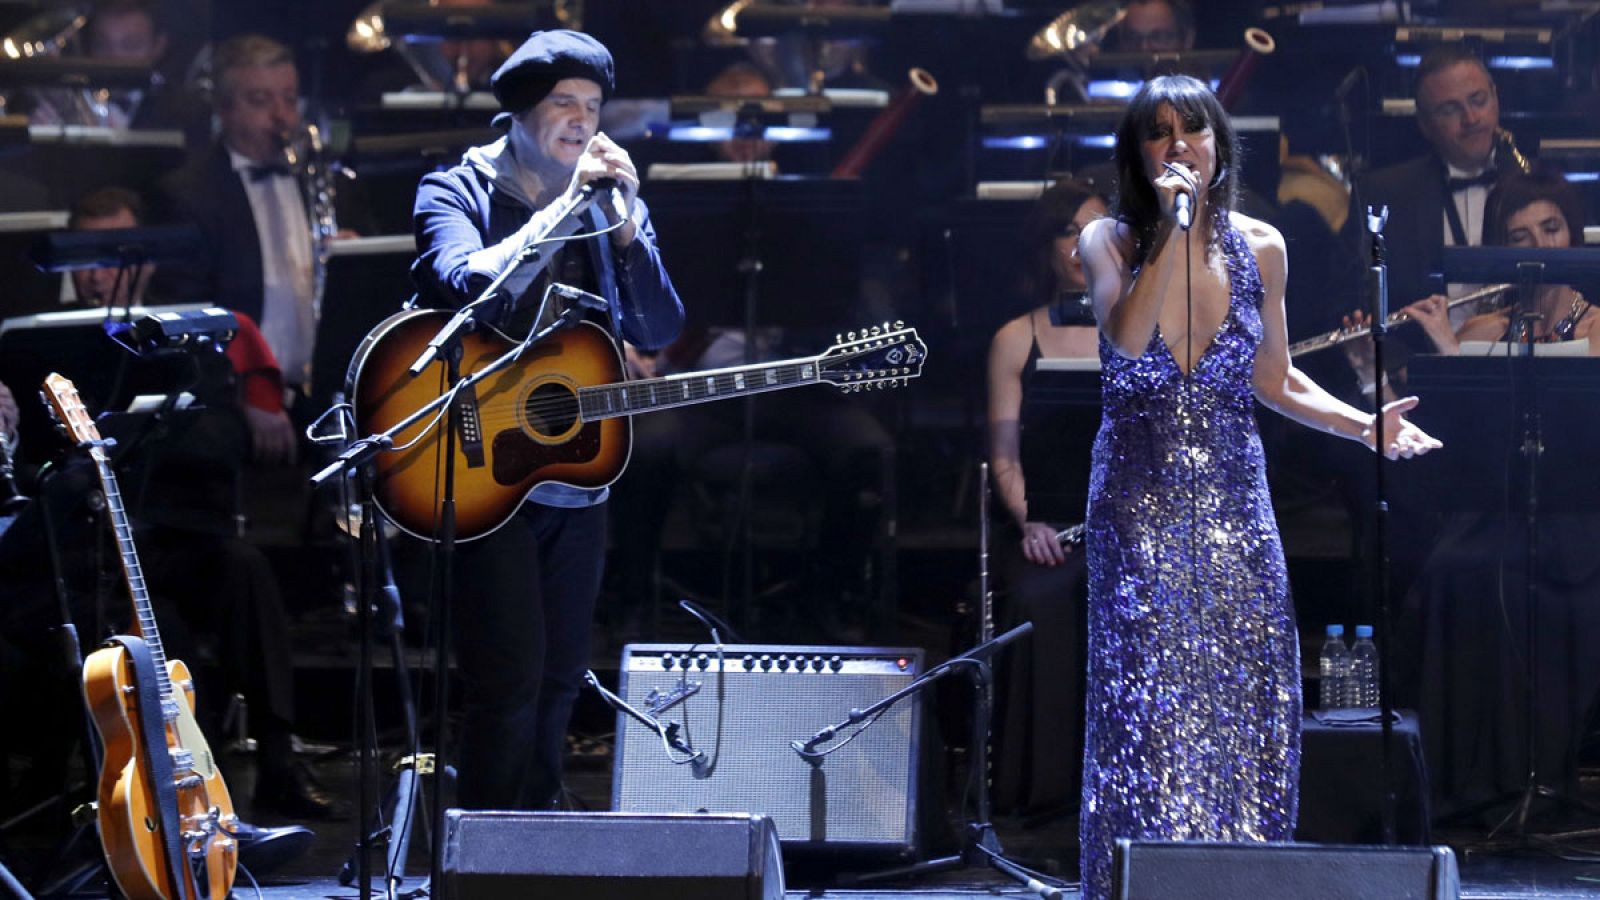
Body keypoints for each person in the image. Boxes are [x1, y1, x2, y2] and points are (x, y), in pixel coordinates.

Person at [1074, 75, 1441, 899]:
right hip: (1138, 503)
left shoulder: (1263, 246)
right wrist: (1172, 233)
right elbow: (1128, 338)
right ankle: (1136, 878)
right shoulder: (1110, 240)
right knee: (1149, 707)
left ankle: (1244, 875)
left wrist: (1364, 425)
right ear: (1139, 157)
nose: (1179, 147)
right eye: (1159, 135)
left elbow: (1275, 380)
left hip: (1237, 503)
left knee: (1248, 693)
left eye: (1193, 131)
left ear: (1219, 144)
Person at [410, 29, 683, 809]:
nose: (580, 120)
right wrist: (567, 209)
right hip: (473, 461)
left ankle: (533, 835)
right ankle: (482, 851)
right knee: (509, 677)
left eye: (593, 107)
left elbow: (658, 328)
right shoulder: (455, 188)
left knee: (565, 673)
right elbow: (468, 284)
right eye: (564, 103)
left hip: (571, 471)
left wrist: (626, 225)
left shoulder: (609, 200)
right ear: (524, 113)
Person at [156, 33, 367, 403]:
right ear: (224, 110)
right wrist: (248, 393)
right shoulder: (189, 194)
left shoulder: (326, 182)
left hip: (324, 393)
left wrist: (352, 266)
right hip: (236, 399)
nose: (282, 116)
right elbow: (190, 318)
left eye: (289, 99)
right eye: (260, 101)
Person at [986, 178, 1106, 816]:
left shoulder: (1146, 329)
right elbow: (1004, 455)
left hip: (1126, 522)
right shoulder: (1015, 337)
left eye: (1093, 229)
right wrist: (1030, 520)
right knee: (1044, 595)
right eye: (1068, 231)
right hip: (1048, 523)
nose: (1079, 246)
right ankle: (1045, 791)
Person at [1348, 44, 1509, 354]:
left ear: (1496, 97)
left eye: (1478, 100)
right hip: (1420, 375)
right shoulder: (1384, 194)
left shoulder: (1534, 183)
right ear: (1424, 124)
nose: (1471, 118)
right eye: (1450, 110)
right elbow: (1357, 301)